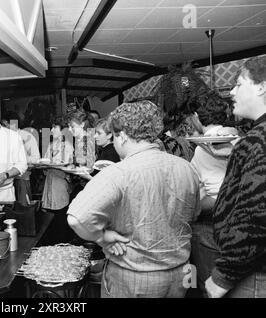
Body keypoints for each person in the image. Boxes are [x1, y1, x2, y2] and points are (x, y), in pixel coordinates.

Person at [67, 100, 200, 298]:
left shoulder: (119, 172)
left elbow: (77, 217)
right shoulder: (187, 168)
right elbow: (194, 214)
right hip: (183, 274)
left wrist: (102, 237)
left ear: (121, 136)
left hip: (136, 277)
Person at [205, 56, 266, 298]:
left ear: (261, 87)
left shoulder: (258, 141)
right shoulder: (255, 140)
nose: (232, 92)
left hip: (253, 275)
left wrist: (224, 275)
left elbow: (256, 217)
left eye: (239, 84)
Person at [189, 103, 239, 297]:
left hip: (211, 224)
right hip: (236, 223)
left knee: (208, 283)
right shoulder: (235, 136)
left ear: (195, 116)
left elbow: (217, 194)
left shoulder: (204, 146)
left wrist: (194, 210)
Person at [41, 116, 74, 244]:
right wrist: (43, 166)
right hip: (49, 184)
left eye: (54, 127)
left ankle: (63, 246)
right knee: (50, 221)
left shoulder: (68, 146)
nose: (51, 130)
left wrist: (51, 165)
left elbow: (68, 166)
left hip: (60, 186)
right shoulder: (50, 145)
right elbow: (45, 164)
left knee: (60, 219)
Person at [1, 115, 40, 204]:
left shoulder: (26, 136)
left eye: (5, 124)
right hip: (5, 181)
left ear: (14, 124)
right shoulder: (3, 138)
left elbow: (36, 158)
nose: (3, 128)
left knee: (23, 208)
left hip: (22, 179)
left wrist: (19, 159)